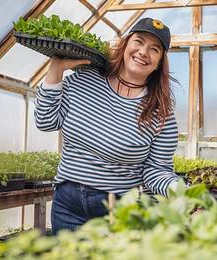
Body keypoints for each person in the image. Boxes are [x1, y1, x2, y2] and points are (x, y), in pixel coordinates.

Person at [34, 17, 182, 235]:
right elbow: (45, 121)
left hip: (118, 210)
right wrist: (55, 68)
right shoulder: (86, 79)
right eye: (139, 42)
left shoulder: (161, 113)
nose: (143, 52)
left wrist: (182, 191)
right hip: (67, 204)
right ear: (126, 44)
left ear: (160, 62)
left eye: (154, 49)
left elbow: (156, 170)